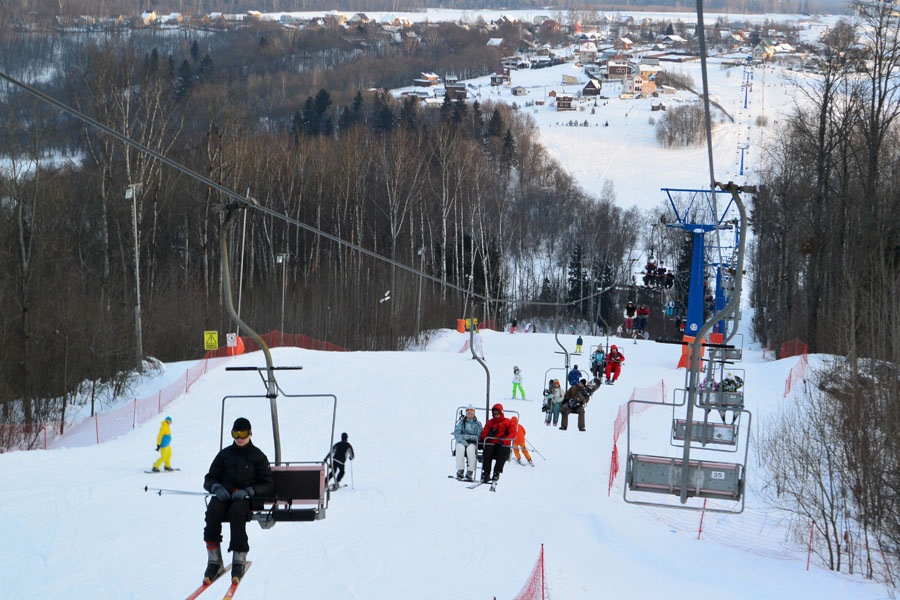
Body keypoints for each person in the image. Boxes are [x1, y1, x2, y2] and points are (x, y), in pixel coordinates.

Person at [202, 417, 274, 585]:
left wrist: (251, 490)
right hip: (226, 494)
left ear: (250, 433)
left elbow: (268, 484)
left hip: (247, 498)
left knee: (236, 513)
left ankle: (239, 558)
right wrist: (215, 488)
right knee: (213, 512)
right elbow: (210, 478)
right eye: (236, 434)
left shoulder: (257, 456)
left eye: (243, 433)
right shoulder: (225, 455)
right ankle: (214, 561)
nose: (240, 438)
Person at [479, 403, 514, 483]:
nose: (496, 415)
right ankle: (486, 472)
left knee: (503, 451)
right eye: (494, 413)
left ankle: (496, 472)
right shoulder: (490, 423)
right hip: (492, 445)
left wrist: (503, 440)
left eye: (498, 413)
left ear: (501, 413)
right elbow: (483, 434)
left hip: (502, 445)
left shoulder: (508, 422)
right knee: (487, 449)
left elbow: (513, 433)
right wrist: (489, 435)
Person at [453, 406, 483, 481]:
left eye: (472, 412)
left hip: (472, 443)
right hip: (462, 442)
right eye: (468, 412)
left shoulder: (478, 424)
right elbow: (457, 433)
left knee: (470, 450)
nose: (470, 414)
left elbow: (479, 436)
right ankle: (460, 470)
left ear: (474, 413)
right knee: (459, 447)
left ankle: (470, 471)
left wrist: (469, 438)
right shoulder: (462, 422)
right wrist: (463, 440)